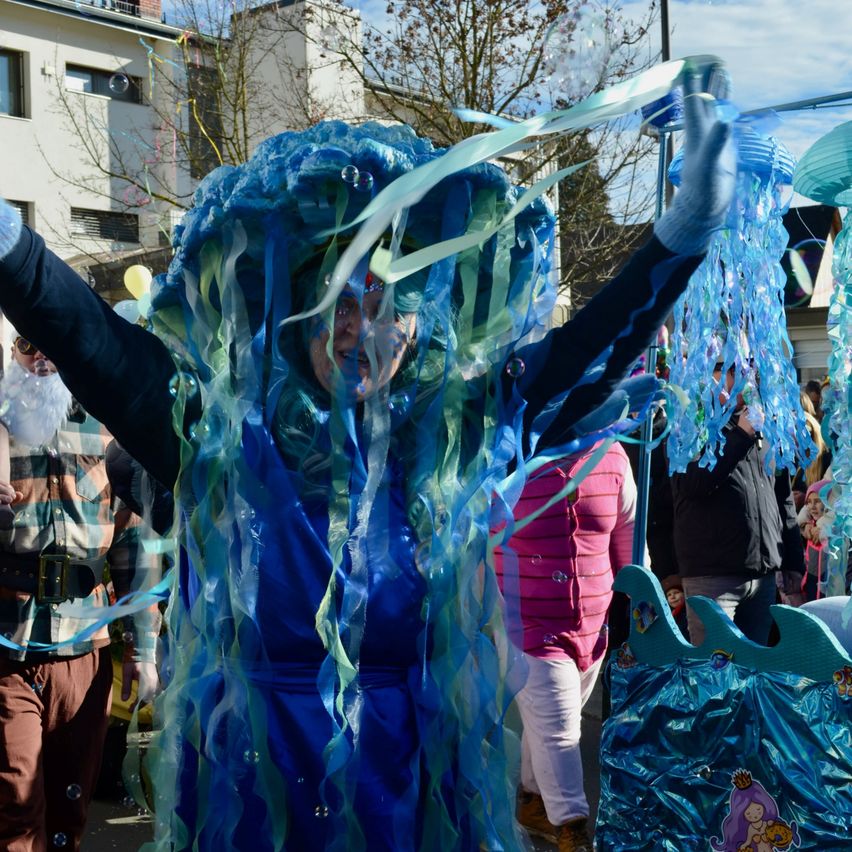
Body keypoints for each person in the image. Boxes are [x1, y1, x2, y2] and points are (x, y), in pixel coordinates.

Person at [0, 68, 735, 849]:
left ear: (422, 325)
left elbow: (591, 347)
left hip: (408, 792)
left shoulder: (455, 437)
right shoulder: (222, 440)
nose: (361, 328)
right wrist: (11, 246)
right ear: (300, 311)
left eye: (390, 304)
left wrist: (689, 226)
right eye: (341, 302)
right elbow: (92, 340)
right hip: (257, 795)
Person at [0, 334, 160, 851]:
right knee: (14, 808)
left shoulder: (106, 428)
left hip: (86, 654)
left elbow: (133, 543)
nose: (42, 356)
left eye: (53, 342)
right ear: (12, 354)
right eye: (28, 344)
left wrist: (143, 648)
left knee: (70, 816)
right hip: (8, 650)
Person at [495, 441, 635, 852]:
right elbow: (470, 539)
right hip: (529, 628)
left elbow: (627, 532)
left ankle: (533, 801)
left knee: (553, 720)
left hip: (593, 629)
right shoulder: (507, 455)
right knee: (560, 731)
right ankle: (573, 832)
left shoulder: (613, 457)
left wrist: (642, 594)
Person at [671, 363, 804, 647]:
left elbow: (783, 497)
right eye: (731, 370)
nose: (743, 380)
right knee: (714, 674)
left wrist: (793, 559)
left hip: (763, 575)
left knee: (753, 676)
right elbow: (693, 484)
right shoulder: (691, 427)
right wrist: (741, 436)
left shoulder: (763, 428)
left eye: (746, 371)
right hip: (713, 577)